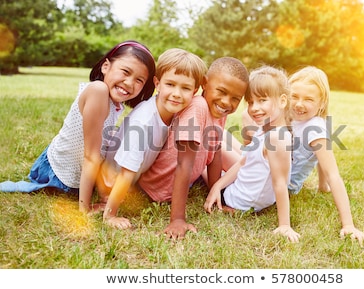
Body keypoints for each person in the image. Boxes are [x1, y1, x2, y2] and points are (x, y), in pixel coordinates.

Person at [0, 40, 156, 215]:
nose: (129, 82)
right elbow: (91, 156)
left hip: (83, 171)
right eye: (125, 72)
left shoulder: (114, 102)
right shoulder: (98, 91)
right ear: (106, 66)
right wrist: (85, 209)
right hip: (59, 172)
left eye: (139, 80)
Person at [137, 56, 249, 239]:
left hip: (183, 180)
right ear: (205, 83)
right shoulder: (198, 107)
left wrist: (216, 197)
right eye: (221, 91)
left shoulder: (219, 110)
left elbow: (214, 155)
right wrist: (177, 219)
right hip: (157, 190)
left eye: (235, 98)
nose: (227, 102)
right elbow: (184, 165)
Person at [96, 48, 207, 229]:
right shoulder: (144, 122)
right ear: (157, 83)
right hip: (112, 184)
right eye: (170, 84)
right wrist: (110, 215)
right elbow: (126, 172)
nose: (177, 93)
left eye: (185, 88)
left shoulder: (170, 111)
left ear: (195, 91)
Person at [204, 66, 300, 243]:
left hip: (238, 201)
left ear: (283, 101)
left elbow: (280, 183)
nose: (254, 108)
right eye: (250, 102)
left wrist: (284, 225)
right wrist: (217, 186)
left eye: (262, 100)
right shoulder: (266, 129)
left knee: (205, 154)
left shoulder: (276, 137)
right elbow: (243, 163)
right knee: (220, 135)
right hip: (243, 190)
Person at [288, 66, 364, 246]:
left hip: (282, 184)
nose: (299, 104)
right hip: (272, 171)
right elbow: (318, 158)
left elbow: (333, 173)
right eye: (294, 96)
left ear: (322, 102)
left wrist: (348, 224)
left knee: (224, 144)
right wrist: (322, 186)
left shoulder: (315, 129)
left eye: (308, 99)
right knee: (224, 139)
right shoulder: (295, 118)